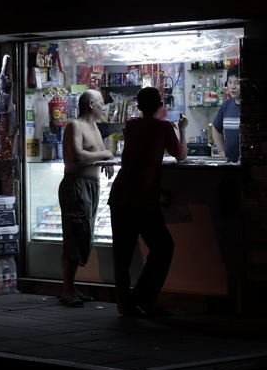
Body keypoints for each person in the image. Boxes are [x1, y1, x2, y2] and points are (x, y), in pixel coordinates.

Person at [106, 86, 187, 317]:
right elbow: (181, 156)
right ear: (161, 106)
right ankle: (145, 297)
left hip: (120, 195)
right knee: (163, 247)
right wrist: (181, 129)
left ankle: (125, 305)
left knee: (122, 254)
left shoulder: (131, 125)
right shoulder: (164, 127)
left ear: (138, 106)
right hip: (143, 197)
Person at [56, 88, 114, 307]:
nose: (103, 106)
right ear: (90, 104)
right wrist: (106, 154)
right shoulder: (74, 125)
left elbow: (95, 154)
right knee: (75, 233)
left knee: (84, 234)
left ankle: (71, 287)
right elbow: (79, 156)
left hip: (91, 185)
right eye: (101, 103)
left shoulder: (95, 127)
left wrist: (105, 160)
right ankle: (66, 289)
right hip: (76, 185)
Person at [212, 63, 241, 162]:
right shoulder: (226, 105)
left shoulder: (250, 108)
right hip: (229, 164)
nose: (232, 87)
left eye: (237, 83)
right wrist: (221, 150)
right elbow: (215, 128)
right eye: (230, 82)